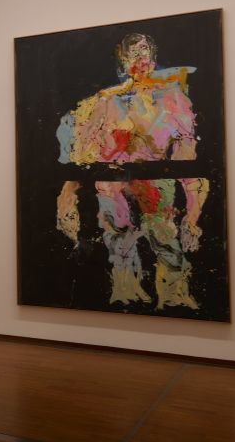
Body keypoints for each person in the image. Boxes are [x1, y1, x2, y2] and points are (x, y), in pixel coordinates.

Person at [56, 33, 209, 310]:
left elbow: (186, 154)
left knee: (164, 239)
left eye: (145, 51)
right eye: (133, 53)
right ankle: (126, 295)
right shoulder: (104, 102)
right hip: (112, 185)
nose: (140, 58)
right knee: (118, 242)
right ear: (123, 60)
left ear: (153, 56)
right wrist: (67, 195)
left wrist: (193, 208)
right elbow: (83, 154)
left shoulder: (172, 100)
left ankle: (174, 298)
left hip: (155, 182)